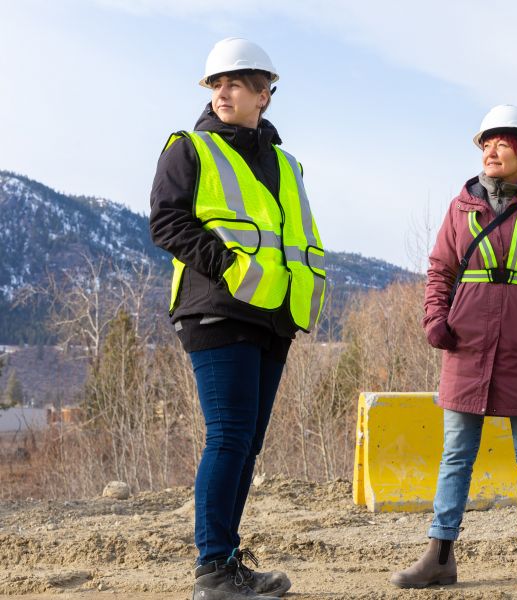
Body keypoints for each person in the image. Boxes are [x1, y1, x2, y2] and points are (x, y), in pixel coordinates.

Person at [149, 37, 326, 600]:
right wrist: (227, 268)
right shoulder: (191, 149)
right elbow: (167, 222)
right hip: (217, 308)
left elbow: (295, 238)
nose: (222, 92)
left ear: (264, 94)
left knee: (246, 442)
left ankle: (226, 563)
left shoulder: (285, 163)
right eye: (215, 84)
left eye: (234, 83)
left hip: (273, 315)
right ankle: (213, 570)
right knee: (227, 436)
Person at [390, 105, 517, 591]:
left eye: (501, 143)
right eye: (485, 143)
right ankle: (439, 557)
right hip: (467, 349)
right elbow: (440, 269)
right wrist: (435, 319)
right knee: (457, 454)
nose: (490, 151)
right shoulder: (461, 207)